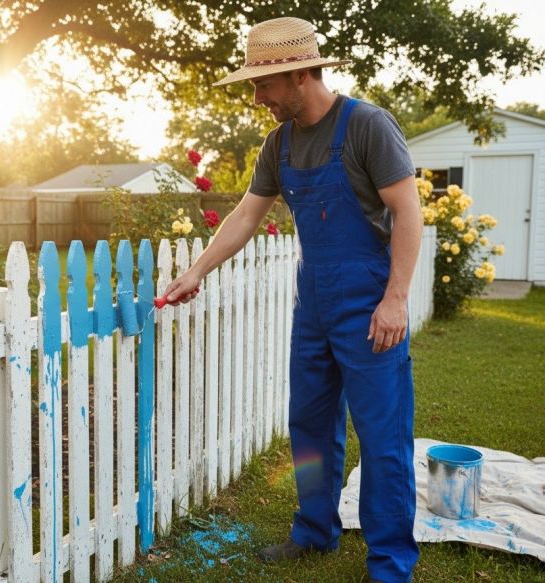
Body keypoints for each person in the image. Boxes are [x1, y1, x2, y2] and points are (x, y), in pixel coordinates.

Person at [162, 16, 423, 583]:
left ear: (301, 73)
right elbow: (246, 215)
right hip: (314, 306)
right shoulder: (277, 143)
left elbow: (408, 211)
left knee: (382, 437)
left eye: (263, 85)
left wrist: (395, 299)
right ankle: (314, 532)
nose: (257, 97)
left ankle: (390, 564)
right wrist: (197, 271)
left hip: (369, 303)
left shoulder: (366, 127)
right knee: (308, 423)